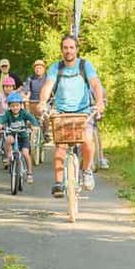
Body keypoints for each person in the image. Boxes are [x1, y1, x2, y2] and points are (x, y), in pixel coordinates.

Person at [38, 35, 105, 197]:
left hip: (83, 112)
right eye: (65, 48)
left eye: (71, 47)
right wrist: (42, 102)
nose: (68, 51)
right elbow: (47, 86)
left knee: (87, 142)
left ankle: (87, 171)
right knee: (60, 147)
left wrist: (100, 101)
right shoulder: (56, 68)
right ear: (61, 50)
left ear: (77, 49)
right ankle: (59, 183)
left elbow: (95, 84)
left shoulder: (85, 65)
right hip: (62, 113)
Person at [0, 92, 40, 183]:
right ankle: (8, 157)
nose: (15, 108)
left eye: (17, 105)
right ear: (9, 106)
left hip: (23, 136)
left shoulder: (24, 113)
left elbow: (31, 118)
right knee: (8, 140)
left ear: (21, 105)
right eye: (12, 106)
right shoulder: (8, 114)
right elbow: (2, 119)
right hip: (12, 134)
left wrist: (35, 125)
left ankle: (29, 173)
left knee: (25, 153)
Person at [22, 59, 50, 141]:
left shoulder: (48, 79)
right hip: (32, 103)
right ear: (34, 69)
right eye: (36, 68)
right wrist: (24, 96)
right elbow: (25, 90)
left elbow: (54, 90)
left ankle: (46, 132)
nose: (38, 69)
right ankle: (29, 135)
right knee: (28, 118)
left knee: (46, 116)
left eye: (40, 67)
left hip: (45, 102)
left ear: (44, 69)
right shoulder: (30, 79)